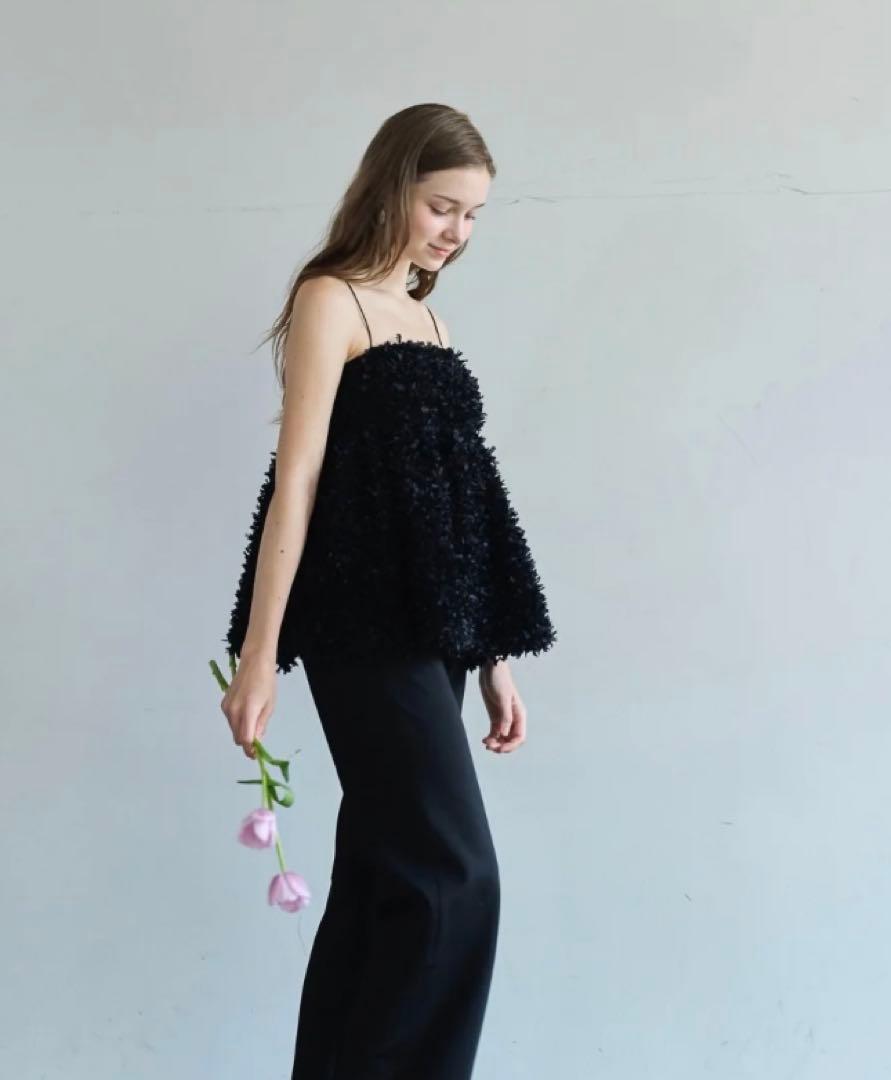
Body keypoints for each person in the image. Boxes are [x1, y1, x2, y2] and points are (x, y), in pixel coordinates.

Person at [220, 103, 557, 1080]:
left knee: (382, 879)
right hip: (358, 624)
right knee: (454, 878)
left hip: (431, 626)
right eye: (441, 205)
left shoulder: (428, 318)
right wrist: (256, 656)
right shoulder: (332, 299)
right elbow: (297, 481)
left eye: (472, 215)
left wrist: (491, 655)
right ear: (391, 186)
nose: (456, 231)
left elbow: (461, 501)